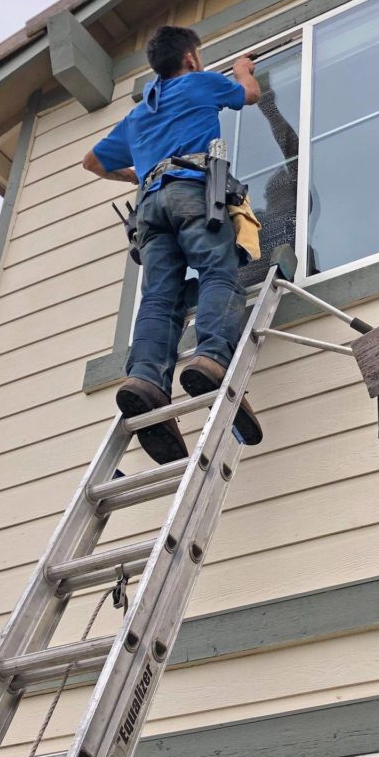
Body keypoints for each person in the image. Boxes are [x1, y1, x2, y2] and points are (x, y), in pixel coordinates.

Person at [82, 25, 263, 465]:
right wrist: (242, 69)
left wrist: (137, 175)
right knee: (218, 271)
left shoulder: (140, 113)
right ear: (191, 58)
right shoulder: (200, 82)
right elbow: (251, 95)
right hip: (191, 192)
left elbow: (91, 162)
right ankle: (211, 359)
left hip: (149, 207)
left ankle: (145, 379)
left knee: (159, 296)